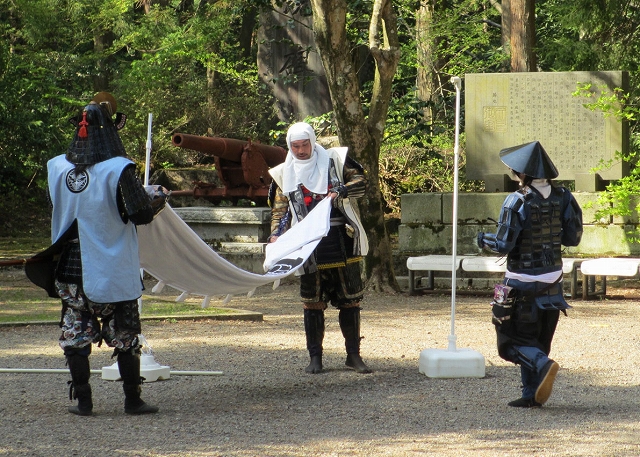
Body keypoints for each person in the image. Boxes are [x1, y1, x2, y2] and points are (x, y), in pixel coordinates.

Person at [27, 92, 168, 416]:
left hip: (69, 269)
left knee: (75, 334)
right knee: (125, 332)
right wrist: (157, 200)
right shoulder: (119, 169)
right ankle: (132, 400)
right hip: (112, 267)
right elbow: (139, 213)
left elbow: (61, 205)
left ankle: (85, 402)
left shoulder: (56, 167)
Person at [477, 141, 583, 407]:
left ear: (523, 174)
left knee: (510, 341)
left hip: (520, 282)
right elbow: (572, 239)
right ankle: (531, 393)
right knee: (538, 339)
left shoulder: (517, 200)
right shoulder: (564, 196)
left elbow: (504, 244)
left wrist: (483, 239)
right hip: (553, 281)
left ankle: (542, 365)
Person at [268, 122, 372, 374]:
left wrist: (341, 190)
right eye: (295, 146)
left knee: (350, 300)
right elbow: (280, 210)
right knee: (312, 302)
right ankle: (315, 357)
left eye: (305, 145)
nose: (301, 150)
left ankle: (353, 355)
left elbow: (362, 182)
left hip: (342, 237)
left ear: (313, 142)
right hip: (307, 244)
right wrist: (276, 235)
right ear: (289, 146)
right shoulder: (283, 173)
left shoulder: (336, 160)